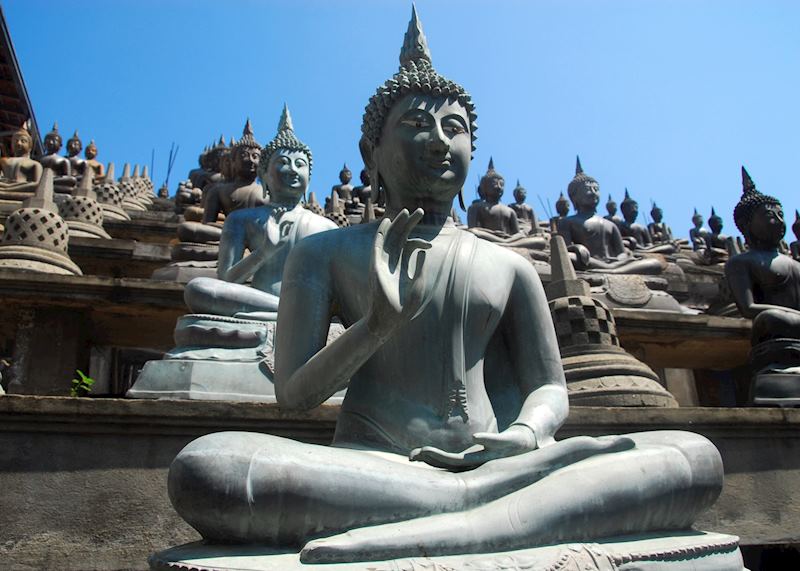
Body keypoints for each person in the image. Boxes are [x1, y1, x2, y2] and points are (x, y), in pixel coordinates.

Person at [168, 8, 724, 563]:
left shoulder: (509, 266)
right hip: (377, 466)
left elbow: (550, 389)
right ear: (371, 154)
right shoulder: (325, 250)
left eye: (453, 128)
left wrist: (528, 434)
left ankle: (471, 509)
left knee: (692, 456)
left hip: (506, 461)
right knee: (209, 469)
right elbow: (293, 395)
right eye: (415, 125)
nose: (439, 142)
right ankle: (498, 513)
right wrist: (373, 329)